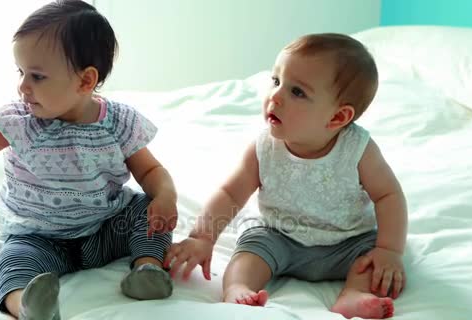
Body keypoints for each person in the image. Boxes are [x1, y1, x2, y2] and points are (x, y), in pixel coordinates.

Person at [0, 1, 178, 319]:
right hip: (38, 237)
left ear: (85, 81)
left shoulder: (118, 123)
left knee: (148, 212)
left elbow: (150, 170)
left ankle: (147, 269)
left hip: (104, 228)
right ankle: (27, 304)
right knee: (14, 259)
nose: (23, 86)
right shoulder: (21, 122)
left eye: (37, 76)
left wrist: (166, 195)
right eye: (21, 72)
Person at [164, 33, 407, 319]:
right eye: (276, 81)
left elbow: (388, 195)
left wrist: (389, 250)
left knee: (370, 261)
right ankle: (238, 288)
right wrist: (203, 237)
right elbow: (231, 193)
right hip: (278, 233)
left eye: (297, 92)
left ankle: (352, 294)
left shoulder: (358, 150)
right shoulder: (265, 146)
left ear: (337, 118)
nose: (275, 96)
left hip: (346, 240)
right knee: (250, 251)